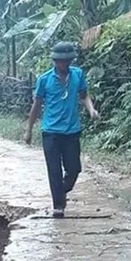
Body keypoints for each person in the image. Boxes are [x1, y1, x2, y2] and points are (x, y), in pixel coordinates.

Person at [24, 40, 99, 218]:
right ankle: (58, 205)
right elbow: (36, 106)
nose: (64, 64)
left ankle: (61, 191)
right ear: (55, 61)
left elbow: (84, 96)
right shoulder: (44, 80)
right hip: (50, 131)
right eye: (60, 61)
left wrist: (91, 109)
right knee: (54, 169)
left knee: (74, 169)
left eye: (67, 61)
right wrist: (29, 129)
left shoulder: (78, 75)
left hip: (72, 131)